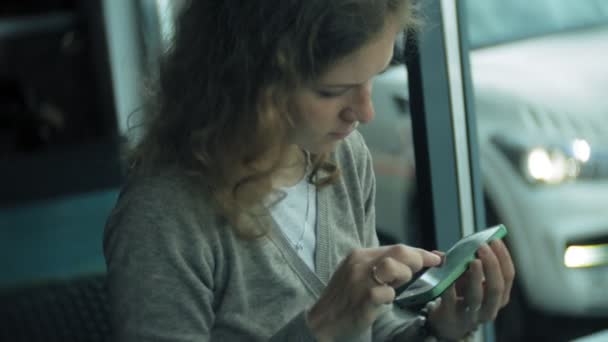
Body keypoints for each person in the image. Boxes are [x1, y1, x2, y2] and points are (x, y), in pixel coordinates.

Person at [103, 0, 515, 341]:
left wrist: (438, 330)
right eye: (332, 91)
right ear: (252, 80)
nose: (365, 113)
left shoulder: (341, 156)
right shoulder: (162, 219)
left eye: (375, 76)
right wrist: (322, 326)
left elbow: (373, 331)